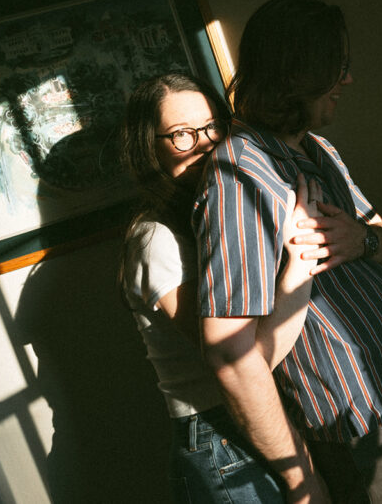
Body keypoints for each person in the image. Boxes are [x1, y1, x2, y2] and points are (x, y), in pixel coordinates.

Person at [195, 0, 382, 503]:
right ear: (294, 75)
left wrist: (364, 239)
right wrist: (299, 478)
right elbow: (231, 355)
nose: (347, 81)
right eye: (338, 68)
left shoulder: (318, 148)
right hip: (358, 421)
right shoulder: (238, 174)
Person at [118, 72, 322, 503]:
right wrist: (302, 263)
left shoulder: (215, 215)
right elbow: (245, 359)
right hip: (219, 438)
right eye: (181, 135)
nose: (206, 143)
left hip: (252, 424)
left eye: (213, 127)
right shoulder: (156, 240)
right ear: (147, 149)